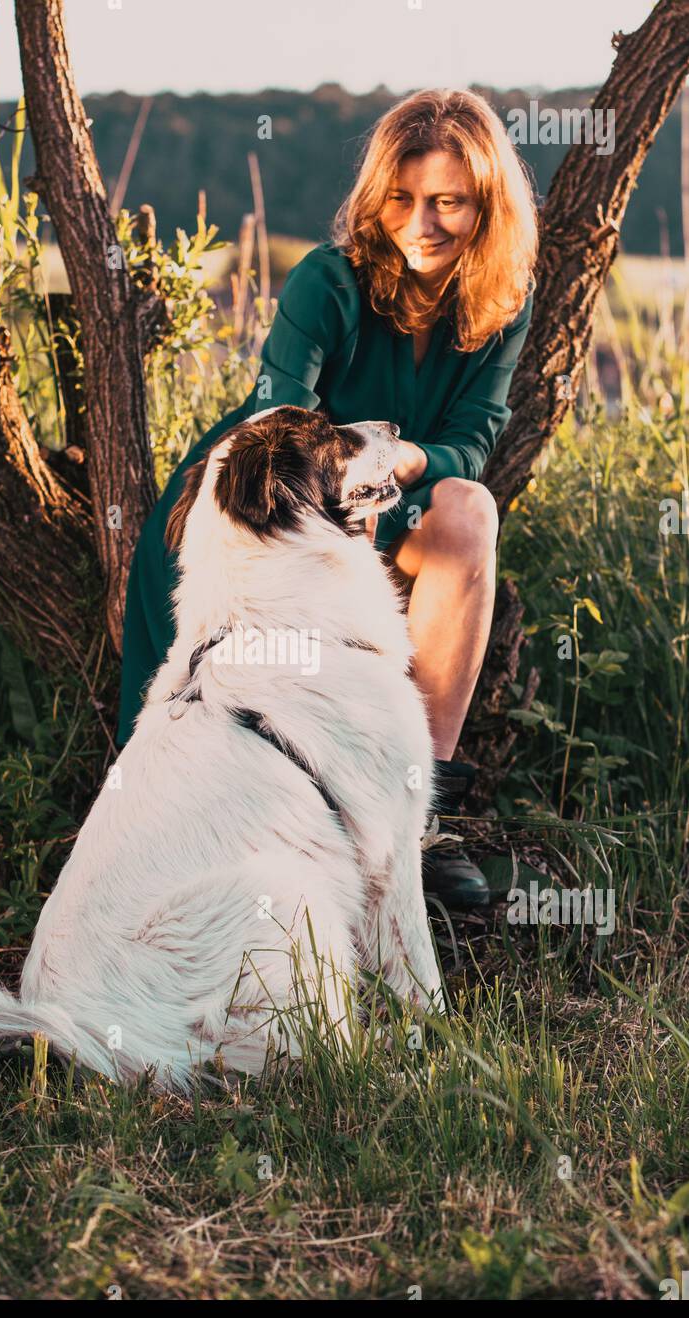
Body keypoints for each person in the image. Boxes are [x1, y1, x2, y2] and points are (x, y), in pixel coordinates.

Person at [116, 87, 538, 909]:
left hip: (392, 503)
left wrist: (408, 461)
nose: (423, 222)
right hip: (278, 504)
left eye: (450, 202)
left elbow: (475, 437)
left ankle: (419, 821)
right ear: (378, 199)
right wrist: (340, 482)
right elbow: (278, 414)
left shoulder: (501, 305)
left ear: (486, 207)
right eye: (403, 199)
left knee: (470, 512)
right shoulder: (329, 281)